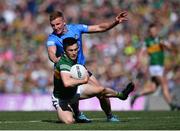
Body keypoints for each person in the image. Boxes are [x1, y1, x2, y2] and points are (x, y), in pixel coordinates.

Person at [46, 10, 129, 122]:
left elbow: (99, 27)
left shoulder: (76, 28)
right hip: (66, 71)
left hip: (80, 69)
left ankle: (109, 115)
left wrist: (115, 22)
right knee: (70, 92)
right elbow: (51, 52)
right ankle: (77, 113)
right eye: (53, 25)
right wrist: (56, 59)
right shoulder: (52, 38)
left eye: (58, 24)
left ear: (64, 22)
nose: (55, 27)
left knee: (101, 92)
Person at [53, 37, 134, 124]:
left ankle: (121, 95)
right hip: (61, 98)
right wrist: (83, 81)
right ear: (65, 51)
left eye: (76, 49)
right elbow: (67, 83)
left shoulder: (75, 60)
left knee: (101, 89)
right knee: (69, 121)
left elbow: (84, 76)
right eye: (71, 50)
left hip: (74, 92)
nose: (74, 53)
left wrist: (89, 80)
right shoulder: (63, 63)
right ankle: (77, 114)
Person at [130, 23, 178, 110]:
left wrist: (164, 45)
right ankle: (172, 104)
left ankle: (137, 95)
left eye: (154, 31)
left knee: (153, 89)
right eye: (151, 31)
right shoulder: (147, 41)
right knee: (164, 84)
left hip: (160, 66)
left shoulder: (161, 40)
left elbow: (170, 48)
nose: (153, 32)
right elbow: (141, 52)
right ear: (149, 32)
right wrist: (140, 62)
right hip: (154, 66)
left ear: (157, 31)